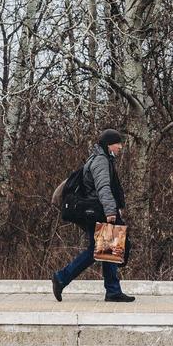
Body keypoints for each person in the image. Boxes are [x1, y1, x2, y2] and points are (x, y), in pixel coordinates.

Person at [51, 129, 135, 303]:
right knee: (96, 251)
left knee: (109, 250)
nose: (120, 147)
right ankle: (61, 277)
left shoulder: (102, 159)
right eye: (117, 143)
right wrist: (111, 211)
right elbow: (103, 187)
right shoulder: (101, 161)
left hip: (99, 210)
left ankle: (113, 291)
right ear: (108, 145)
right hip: (98, 211)